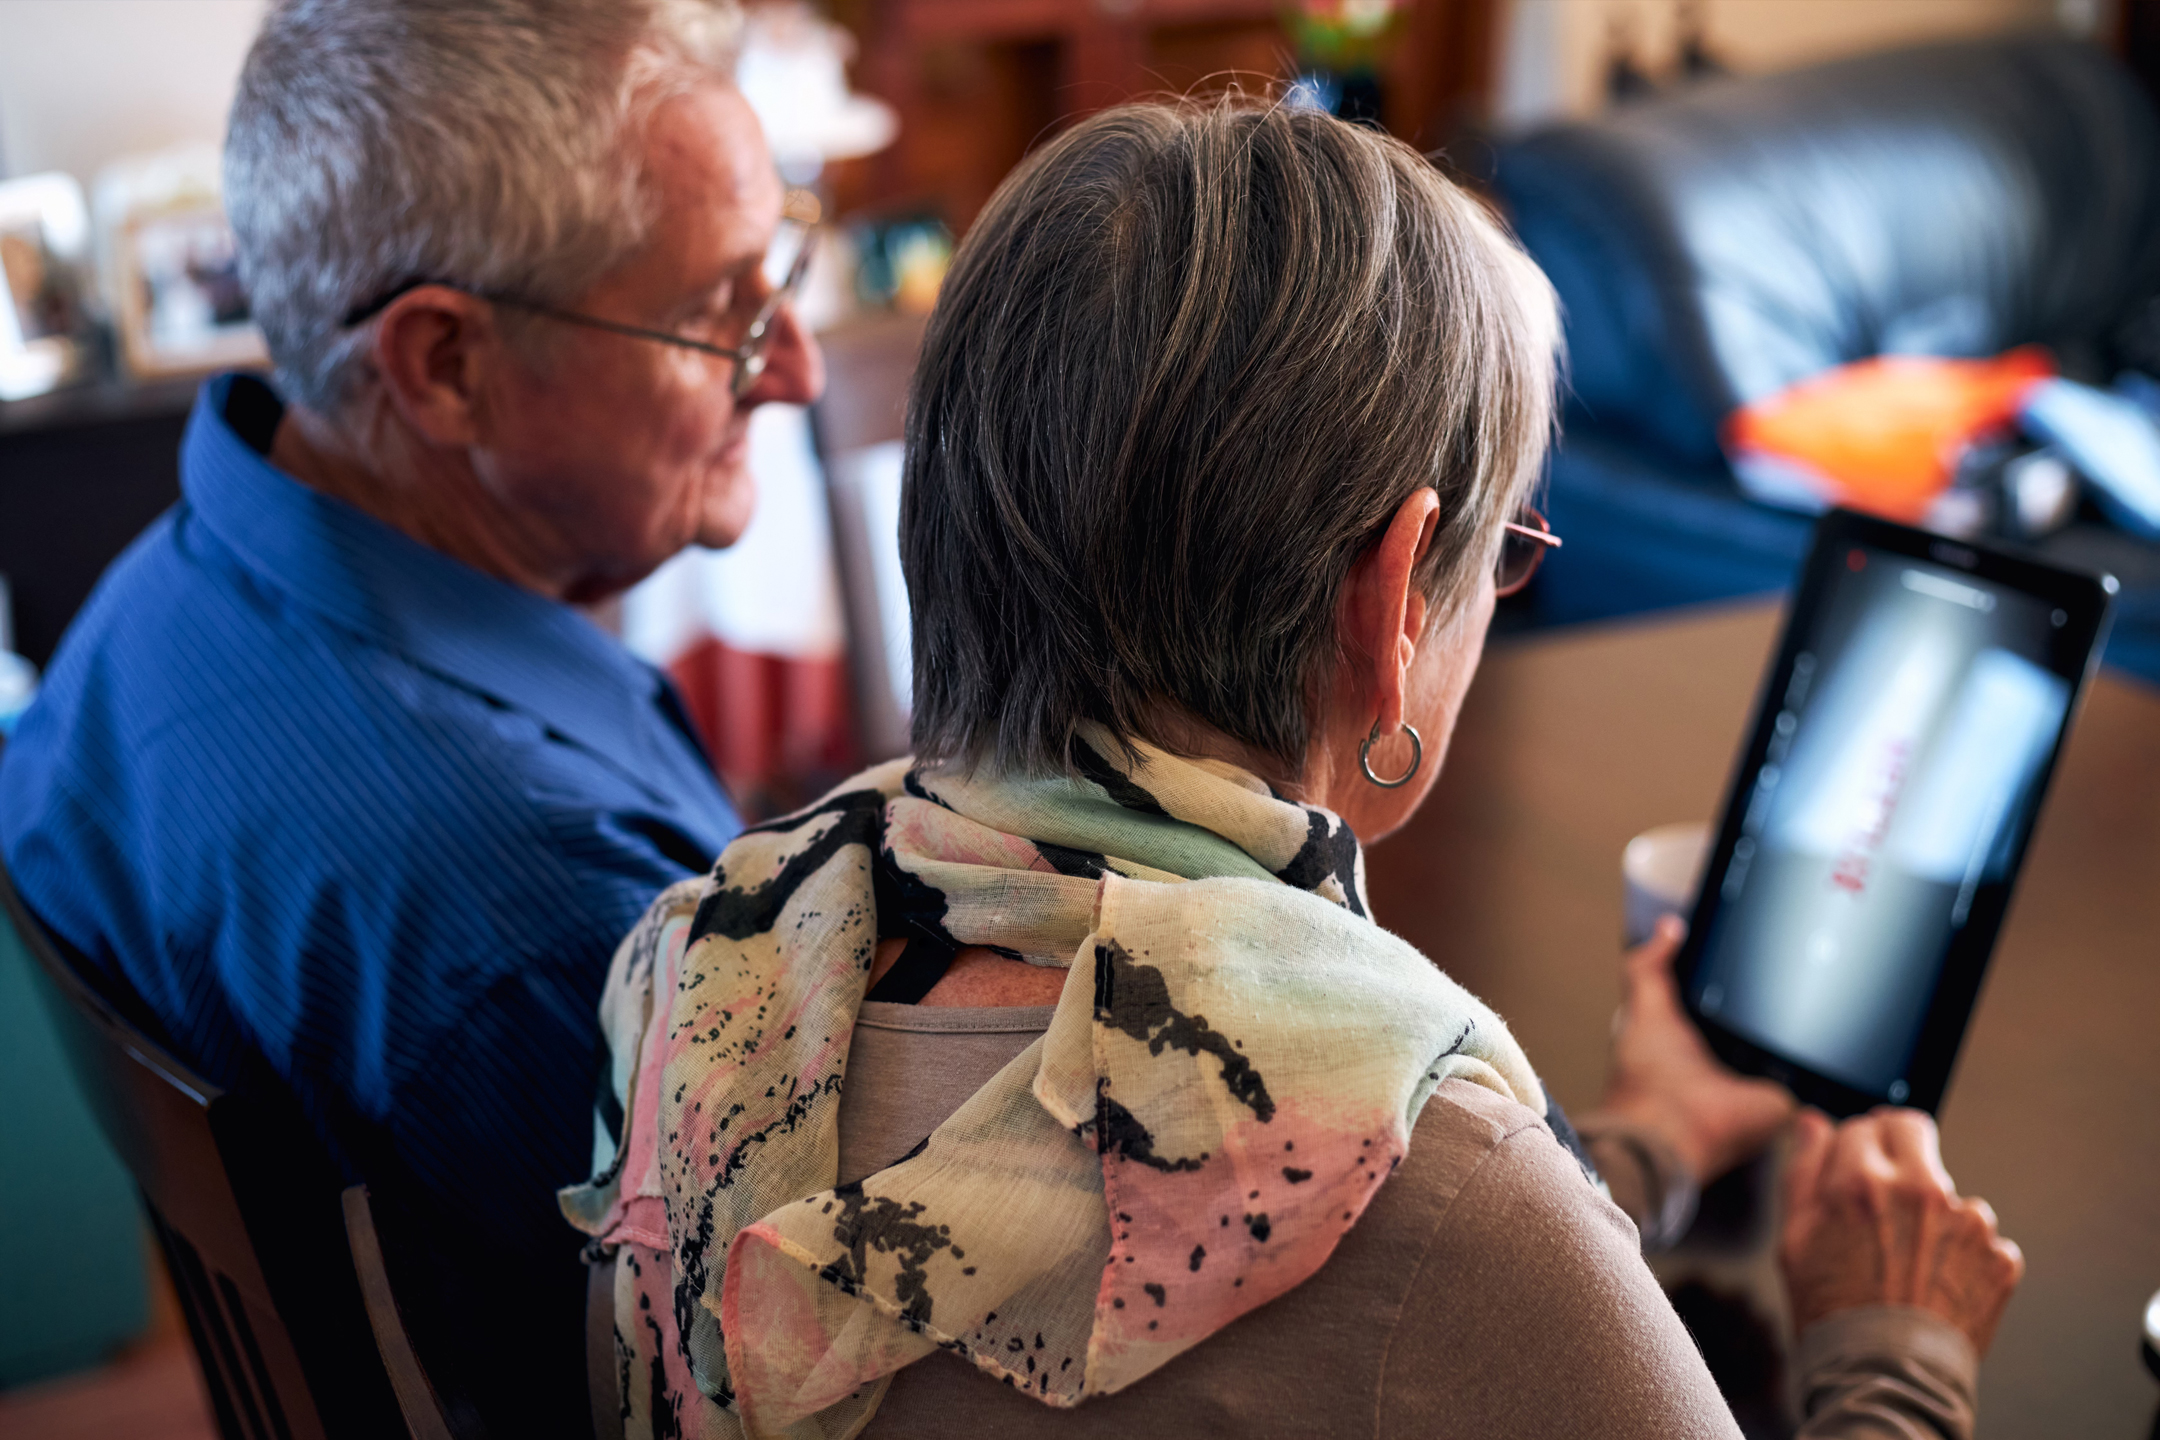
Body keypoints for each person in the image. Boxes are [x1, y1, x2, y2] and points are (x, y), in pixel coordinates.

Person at [564, 99, 2022, 1439]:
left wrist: (1628, 1151)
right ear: (1393, 607)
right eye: (1502, 556)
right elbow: (1414, 1264)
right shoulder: (1439, 1182)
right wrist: (1893, 1344)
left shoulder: (707, 961)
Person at [0, 0, 816, 1429]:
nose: (798, 367)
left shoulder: (162, 594)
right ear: (443, 365)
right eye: (722, 313)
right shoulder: (544, 922)